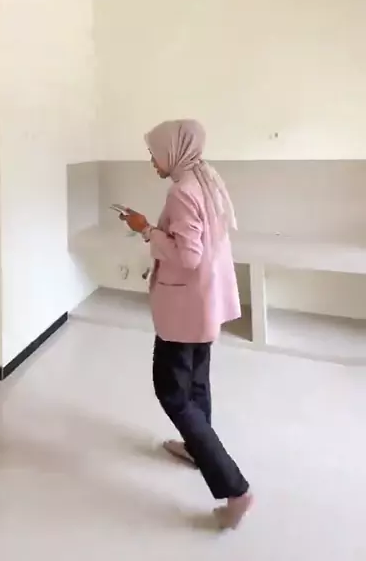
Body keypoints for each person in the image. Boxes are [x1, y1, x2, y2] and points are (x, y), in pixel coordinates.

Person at [118, 119, 253, 530]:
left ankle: (235, 489)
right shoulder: (205, 179)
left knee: (172, 392)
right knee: (196, 383)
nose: (152, 161)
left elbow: (188, 255)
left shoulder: (182, 192)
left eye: (154, 153)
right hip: (204, 302)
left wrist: (146, 230)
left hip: (185, 306)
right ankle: (198, 447)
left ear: (174, 151)